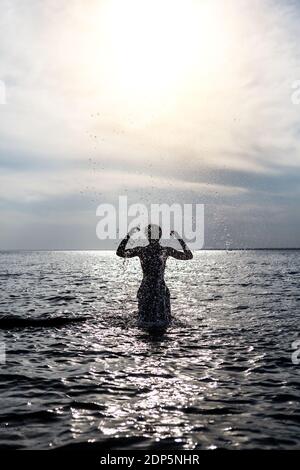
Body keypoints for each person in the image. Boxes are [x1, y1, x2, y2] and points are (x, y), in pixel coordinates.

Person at [116, 224, 193, 325]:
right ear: (160, 235)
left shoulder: (142, 250)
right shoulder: (164, 250)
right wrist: (178, 237)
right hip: (159, 288)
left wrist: (130, 234)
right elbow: (188, 255)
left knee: (145, 320)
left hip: (148, 288)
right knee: (163, 320)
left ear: (147, 236)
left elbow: (120, 252)